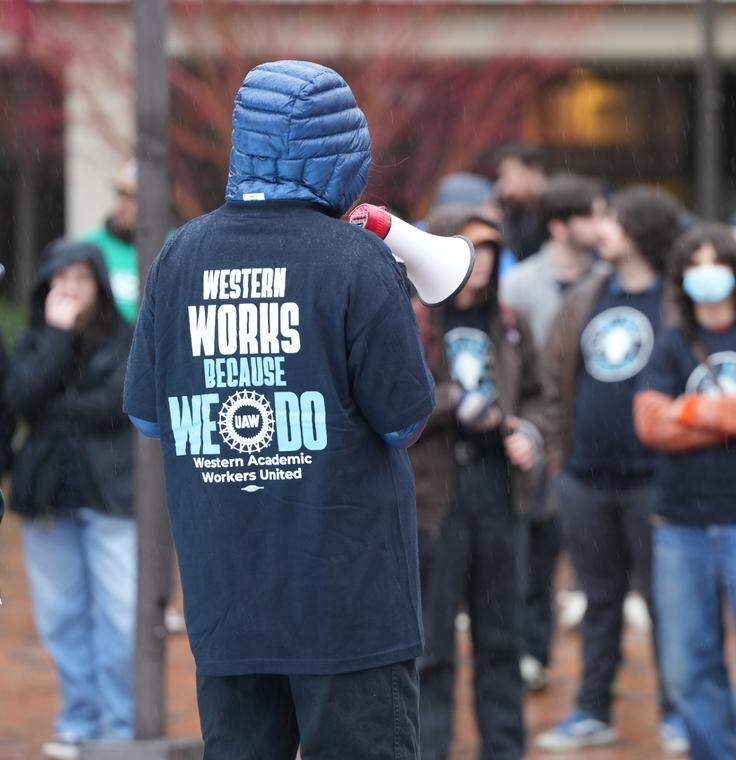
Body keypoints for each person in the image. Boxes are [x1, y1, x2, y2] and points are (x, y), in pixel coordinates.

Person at [122, 61, 434, 758]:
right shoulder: (356, 262)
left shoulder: (179, 256)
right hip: (348, 612)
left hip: (227, 604)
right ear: (343, 152)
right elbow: (403, 420)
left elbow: (149, 417)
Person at [634, 224, 736, 759]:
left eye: (716, 261)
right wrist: (725, 413)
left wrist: (683, 409)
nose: (707, 273)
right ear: (683, 278)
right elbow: (649, 423)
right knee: (686, 666)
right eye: (696, 263)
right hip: (678, 526)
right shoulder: (672, 343)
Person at [535, 186, 684, 753]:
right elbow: (553, 377)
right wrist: (559, 458)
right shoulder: (589, 294)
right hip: (584, 477)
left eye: (614, 221)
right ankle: (591, 710)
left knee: (665, 602)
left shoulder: (674, 300)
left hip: (655, 479)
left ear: (641, 232)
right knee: (598, 603)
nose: (603, 229)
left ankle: (679, 712)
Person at [411, 206, 543, 760]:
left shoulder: (509, 323)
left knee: (501, 640)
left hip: (498, 489)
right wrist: (453, 403)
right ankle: (428, 749)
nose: (482, 262)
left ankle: (505, 749)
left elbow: (539, 394)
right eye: (471, 249)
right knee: (431, 645)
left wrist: (531, 432)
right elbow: (394, 402)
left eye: (491, 250)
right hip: (435, 496)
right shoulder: (417, 321)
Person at [6, 239, 136, 758]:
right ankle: (78, 721)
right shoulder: (36, 340)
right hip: (47, 501)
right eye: (60, 281)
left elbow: (113, 406)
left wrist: (54, 407)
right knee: (63, 616)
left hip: (112, 499)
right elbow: (19, 399)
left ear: (99, 287)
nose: (70, 291)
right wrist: (58, 338)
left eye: (80, 280)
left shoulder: (123, 337)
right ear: (45, 288)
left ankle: (120, 728)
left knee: (119, 616)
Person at [500, 171, 605, 692]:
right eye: (591, 215)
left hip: (593, 437)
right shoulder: (518, 284)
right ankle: (530, 653)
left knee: (592, 560)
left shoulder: (608, 281)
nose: (601, 225)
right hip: (538, 436)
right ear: (561, 226)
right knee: (534, 554)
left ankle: (591, 666)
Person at [83, 160, 140, 323]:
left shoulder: (173, 245)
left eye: (132, 196)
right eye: (120, 193)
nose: (122, 203)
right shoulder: (90, 246)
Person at [493, 143, 548, 261]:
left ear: (534, 173)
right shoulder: (514, 210)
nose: (502, 185)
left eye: (507, 176)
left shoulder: (555, 211)